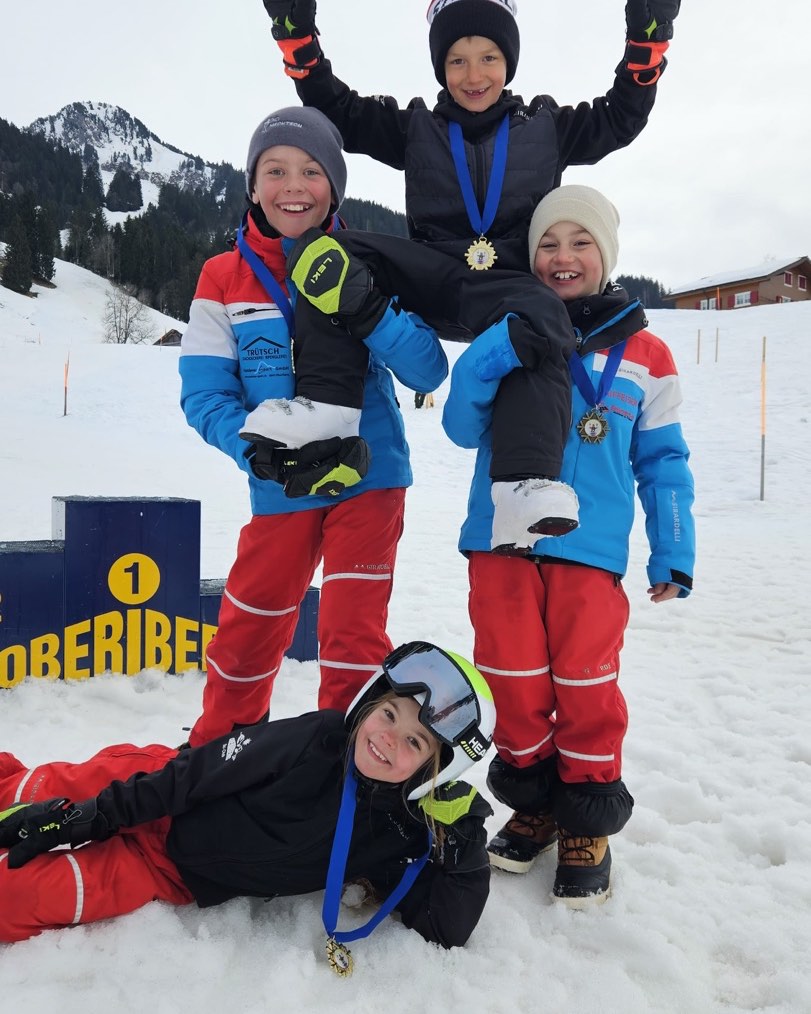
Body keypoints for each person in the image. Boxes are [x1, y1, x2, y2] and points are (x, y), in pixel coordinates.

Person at [258, 0, 681, 553]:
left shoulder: (548, 126)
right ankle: (328, 410)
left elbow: (619, 118)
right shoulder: (415, 127)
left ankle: (523, 487)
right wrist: (298, 41)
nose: (474, 75)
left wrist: (646, 45)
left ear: (509, 62)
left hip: (507, 289)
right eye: (457, 61)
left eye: (488, 57)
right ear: (440, 67)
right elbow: (340, 110)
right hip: (432, 276)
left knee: (543, 317)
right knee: (326, 250)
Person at [441, 185, 695, 904]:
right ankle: (538, 803)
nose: (562, 257)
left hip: (591, 549)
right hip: (500, 541)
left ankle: (587, 818)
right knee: (511, 678)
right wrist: (496, 348)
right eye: (548, 244)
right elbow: (461, 425)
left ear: (605, 254)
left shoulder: (647, 352)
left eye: (579, 242)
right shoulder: (510, 326)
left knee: (584, 683)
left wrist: (672, 547)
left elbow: (663, 462)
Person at [178, 107, 448, 747]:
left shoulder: (365, 259)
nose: (293, 185)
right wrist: (254, 452)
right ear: (252, 185)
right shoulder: (223, 277)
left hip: (370, 474)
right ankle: (218, 762)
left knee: (353, 639)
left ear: (334, 186)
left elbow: (427, 369)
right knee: (248, 627)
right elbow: (203, 393)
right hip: (280, 485)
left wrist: (367, 307)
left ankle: (344, 777)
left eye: (310, 170)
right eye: (275, 170)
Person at [0, 642, 496, 962]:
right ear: (368, 702)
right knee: (26, 796)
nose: (389, 739)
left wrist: (466, 849)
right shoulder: (318, 739)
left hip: (167, 873)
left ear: (439, 769)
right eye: (388, 714)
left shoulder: (399, 833)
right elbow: (201, 770)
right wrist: (94, 814)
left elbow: (442, 931)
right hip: (159, 788)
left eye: (415, 742)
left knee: (15, 898)